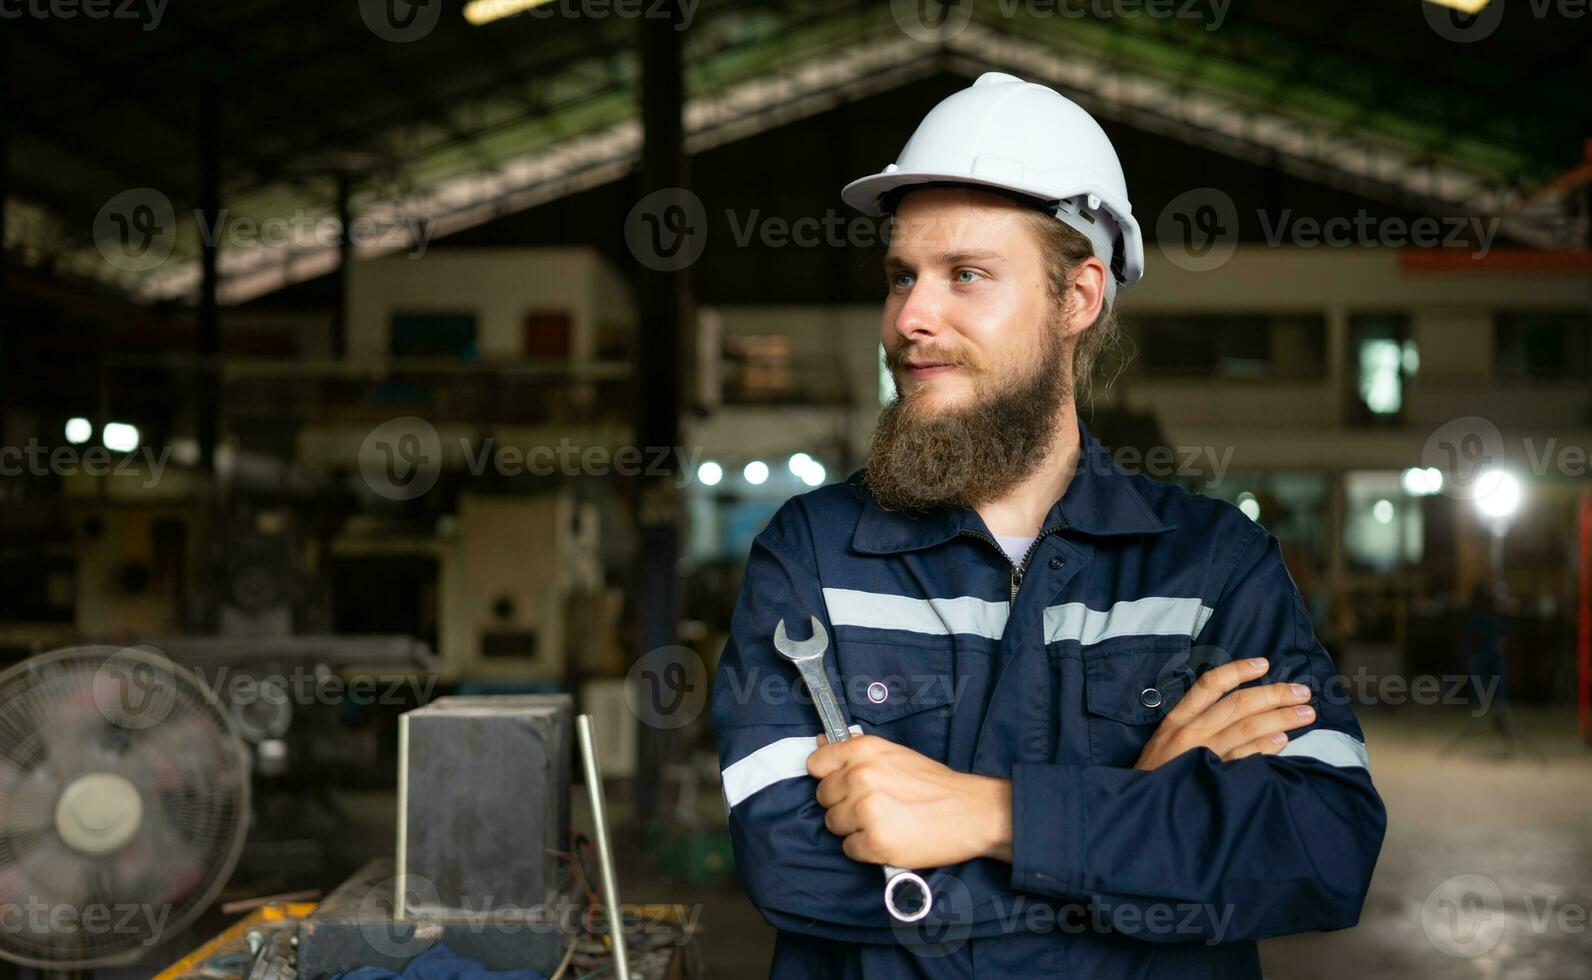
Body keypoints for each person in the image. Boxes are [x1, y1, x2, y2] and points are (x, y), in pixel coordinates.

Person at [711, 73, 1386, 979]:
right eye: (901, 276)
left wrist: (993, 817)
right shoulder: (813, 555)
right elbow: (789, 869)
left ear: (1079, 298)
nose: (910, 317)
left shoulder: (1214, 568)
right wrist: (1141, 809)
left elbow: (1321, 853)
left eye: (967, 276)